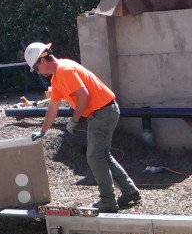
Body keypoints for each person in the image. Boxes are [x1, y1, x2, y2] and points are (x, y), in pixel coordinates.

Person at [24, 42, 140, 213]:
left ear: (42, 61)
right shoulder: (57, 77)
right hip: (102, 112)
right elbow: (53, 107)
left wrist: (74, 120)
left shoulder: (64, 70)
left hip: (104, 112)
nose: (39, 73)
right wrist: (42, 131)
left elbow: (83, 96)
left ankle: (108, 200)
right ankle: (130, 191)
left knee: (94, 156)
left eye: (36, 69)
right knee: (102, 155)